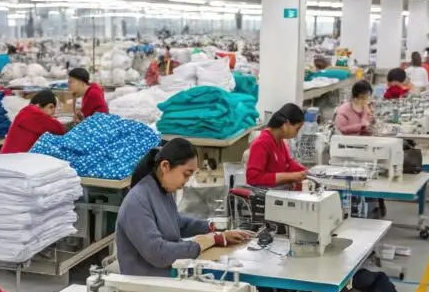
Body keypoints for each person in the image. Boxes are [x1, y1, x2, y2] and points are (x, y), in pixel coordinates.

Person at [116, 139, 252, 277]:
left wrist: (214, 227)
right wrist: (204, 243)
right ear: (165, 166)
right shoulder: (137, 201)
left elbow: (176, 223)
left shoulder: (162, 190)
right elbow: (158, 253)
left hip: (166, 276)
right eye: (186, 174)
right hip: (145, 286)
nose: (186, 182)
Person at [245, 103, 308, 187]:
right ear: (286, 124)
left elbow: (289, 164)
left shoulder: (280, 141)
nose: (297, 133)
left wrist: (306, 172)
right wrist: (292, 176)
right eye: (297, 129)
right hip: (264, 196)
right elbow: (253, 178)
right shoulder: (261, 143)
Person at [1, 89, 66, 154]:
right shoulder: (37, 116)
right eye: (53, 108)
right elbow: (59, 129)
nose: (53, 114)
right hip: (19, 161)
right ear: (50, 106)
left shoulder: (24, 112)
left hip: (6, 158)